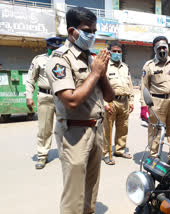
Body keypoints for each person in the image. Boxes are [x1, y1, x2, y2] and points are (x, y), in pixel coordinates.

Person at [45, 7, 115, 214]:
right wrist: (95, 73)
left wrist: (101, 74)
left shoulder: (92, 59)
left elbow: (109, 96)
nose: (92, 35)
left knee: (91, 188)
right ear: (71, 31)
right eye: (87, 30)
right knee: (74, 193)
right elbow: (71, 101)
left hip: (96, 130)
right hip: (74, 133)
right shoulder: (60, 59)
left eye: (94, 30)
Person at [140, 36, 170, 165]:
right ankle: (154, 156)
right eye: (159, 48)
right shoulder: (149, 66)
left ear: (168, 48)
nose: (162, 50)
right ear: (155, 49)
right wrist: (144, 106)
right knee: (156, 130)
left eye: (164, 47)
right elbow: (144, 87)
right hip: (157, 102)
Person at [25, 37, 63, 169]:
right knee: (44, 129)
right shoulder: (39, 60)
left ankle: (65, 153)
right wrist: (29, 96)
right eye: (52, 48)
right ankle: (42, 155)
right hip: (45, 96)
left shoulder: (65, 59)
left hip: (62, 97)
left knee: (64, 127)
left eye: (57, 48)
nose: (55, 51)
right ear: (47, 47)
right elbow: (30, 79)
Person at [102, 41, 134, 165]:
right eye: (114, 51)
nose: (116, 53)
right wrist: (104, 103)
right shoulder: (105, 66)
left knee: (123, 127)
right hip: (111, 101)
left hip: (124, 101)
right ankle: (106, 153)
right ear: (110, 52)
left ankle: (120, 150)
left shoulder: (125, 67)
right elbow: (100, 86)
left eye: (119, 52)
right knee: (107, 129)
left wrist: (131, 101)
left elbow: (130, 85)